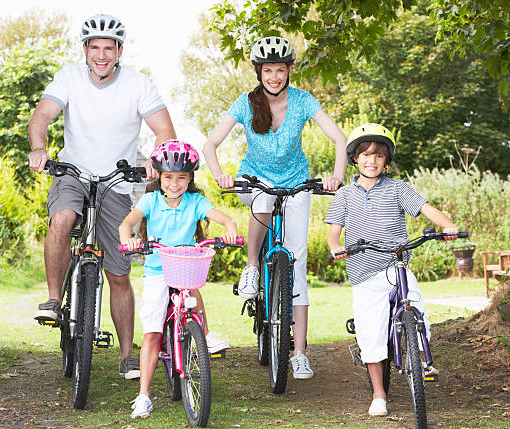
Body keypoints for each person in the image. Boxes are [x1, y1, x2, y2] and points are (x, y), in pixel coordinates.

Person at [28, 13, 176, 380]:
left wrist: (157, 161)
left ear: (119, 51)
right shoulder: (68, 77)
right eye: (94, 48)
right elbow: (42, 115)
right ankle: (52, 299)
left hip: (117, 181)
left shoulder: (139, 84)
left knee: (119, 274)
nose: (101, 55)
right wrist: (39, 148)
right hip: (73, 172)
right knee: (62, 219)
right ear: (86, 50)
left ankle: (127, 354)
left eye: (108, 48)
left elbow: (163, 129)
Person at [202, 36, 347, 379]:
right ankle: (252, 265)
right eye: (268, 70)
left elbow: (339, 138)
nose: (274, 77)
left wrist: (337, 176)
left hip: (296, 181)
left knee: (295, 265)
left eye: (280, 70)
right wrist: (220, 174)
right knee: (264, 200)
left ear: (288, 71)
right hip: (255, 180)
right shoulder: (245, 103)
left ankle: (299, 353)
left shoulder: (303, 101)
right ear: (259, 72)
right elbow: (210, 144)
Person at [325, 123, 459, 417]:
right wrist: (335, 246)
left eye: (378, 156)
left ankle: (421, 357)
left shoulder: (398, 188)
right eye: (365, 155)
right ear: (355, 160)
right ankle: (379, 394)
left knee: (415, 301)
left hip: (395, 263)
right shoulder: (346, 194)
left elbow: (426, 209)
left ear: (386, 161)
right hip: (364, 269)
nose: (371, 161)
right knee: (370, 332)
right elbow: (334, 232)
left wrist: (446, 224)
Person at [119, 140, 238, 418]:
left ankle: (204, 336)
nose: (174, 183)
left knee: (193, 291)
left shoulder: (195, 201)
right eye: (169, 177)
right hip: (158, 270)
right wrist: (130, 240)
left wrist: (230, 229)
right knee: (152, 333)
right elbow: (127, 223)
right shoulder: (150, 201)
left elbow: (223, 218)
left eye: (181, 177)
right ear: (159, 176)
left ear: (190, 179)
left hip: (183, 265)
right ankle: (144, 395)